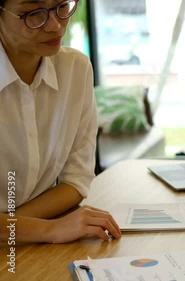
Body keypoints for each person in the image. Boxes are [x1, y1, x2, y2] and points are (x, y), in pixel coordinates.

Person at [0, 0, 121, 243]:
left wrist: (14, 228)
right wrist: (48, 229)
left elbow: (76, 180)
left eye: (61, 6)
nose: (55, 26)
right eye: (32, 13)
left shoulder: (75, 69)